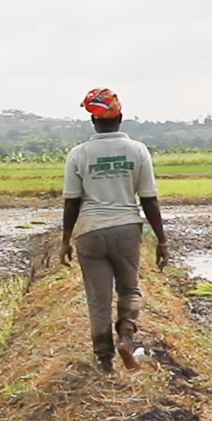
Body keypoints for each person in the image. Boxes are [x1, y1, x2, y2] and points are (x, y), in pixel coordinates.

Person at [60, 88, 167, 372]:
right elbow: (148, 198)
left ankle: (105, 360)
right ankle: (126, 338)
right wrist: (162, 240)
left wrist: (65, 241)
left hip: (89, 231)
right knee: (129, 288)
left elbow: (71, 201)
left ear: (93, 122)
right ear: (120, 117)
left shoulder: (78, 154)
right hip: (126, 229)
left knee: (98, 299)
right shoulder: (137, 150)